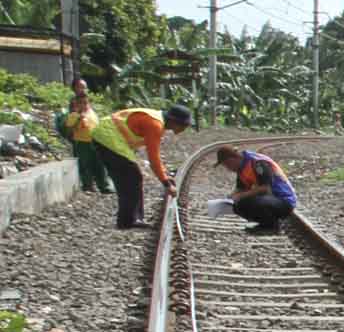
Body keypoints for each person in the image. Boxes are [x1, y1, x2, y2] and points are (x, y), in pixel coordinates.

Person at [93, 102, 191, 230]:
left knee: (132, 177)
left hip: (108, 134)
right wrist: (166, 183)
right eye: (184, 126)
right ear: (174, 122)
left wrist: (165, 175)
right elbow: (153, 157)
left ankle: (133, 218)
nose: (184, 129)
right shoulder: (155, 125)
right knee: (130, 177)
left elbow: (154, 155)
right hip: (107, 136)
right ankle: (127, 221)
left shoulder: (157, 121)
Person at [214, 144, 299, 234]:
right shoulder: (242, 168)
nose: (228, 169)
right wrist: (228, 199)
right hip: (271, 200)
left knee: (247, 201)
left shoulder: (257, 162)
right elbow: (240, 188)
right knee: (237, 204)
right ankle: (264, 224)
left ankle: (272, 227)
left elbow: (265, 188)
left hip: (284, 201)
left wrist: (240, 196)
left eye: (227, 166)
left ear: (231, 160)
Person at [56, 92, 113, 196]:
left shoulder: (92, 113)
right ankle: (88, 186)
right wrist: (78, 117)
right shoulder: (74, 115)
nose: (84, 105)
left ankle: (104, 186)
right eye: (81, 103)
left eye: (85, 103)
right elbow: (69, 128)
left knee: (99, 164)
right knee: (85, 165)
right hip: (82, 143)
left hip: (95, 141)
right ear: (77, 104)